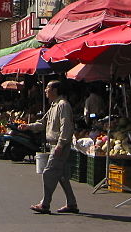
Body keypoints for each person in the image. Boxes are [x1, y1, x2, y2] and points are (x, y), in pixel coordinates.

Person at [20, 79, 78, 215]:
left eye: (48, 88)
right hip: (54, 144)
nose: (45, 90)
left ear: (55, 90)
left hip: (59, 145)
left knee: (48, 173)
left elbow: (66, 127)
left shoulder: (63, 105)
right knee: (62, 176)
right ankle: (72, 203)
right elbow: (43, 123)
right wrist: (28, 126)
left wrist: (60, 144)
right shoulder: (53, 105)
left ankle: (45, 204)